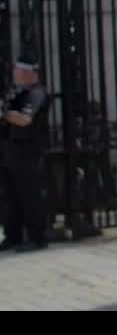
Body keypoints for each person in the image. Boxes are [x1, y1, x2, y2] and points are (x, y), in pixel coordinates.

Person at [1, 57, 51, 252]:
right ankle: (13, 236)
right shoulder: (17, 93)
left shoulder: (36, 93)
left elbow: (24, 119)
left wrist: (4, 113)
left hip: (28, 151)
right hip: (11, 149)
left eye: (18, 71)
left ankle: (37, 237)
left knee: (29, 195)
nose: (14, 73)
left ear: (28, 73)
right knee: (10, 196)